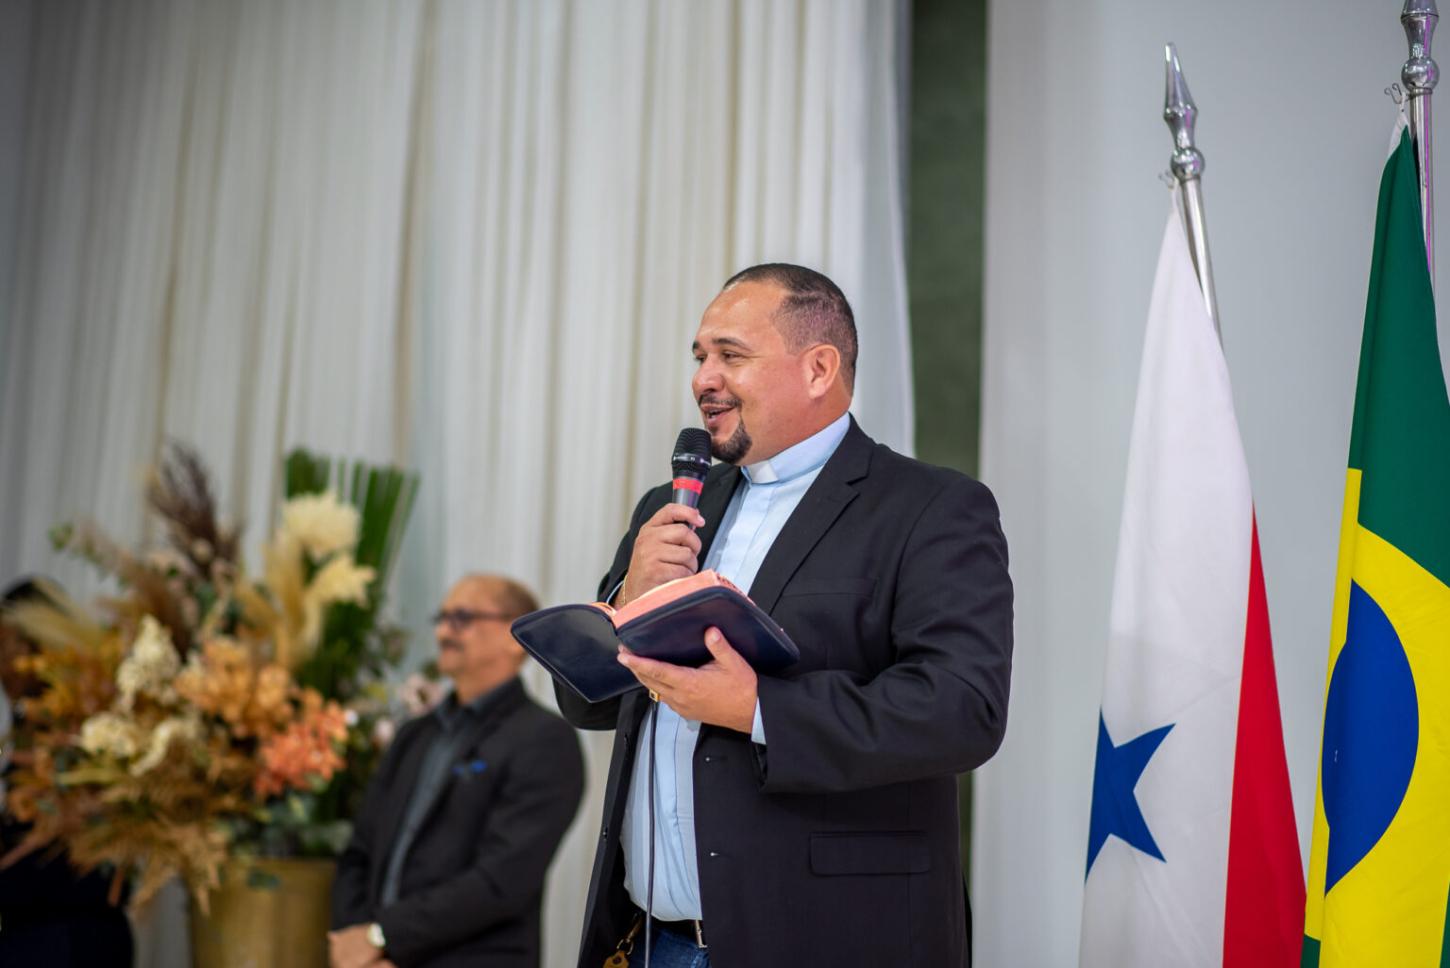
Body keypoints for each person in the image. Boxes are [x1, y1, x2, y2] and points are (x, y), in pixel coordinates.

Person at [554, 264, 1013, 967]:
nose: (704, 379)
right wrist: (626, 603)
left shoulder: (929, 508)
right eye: (699, 357)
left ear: (818, 369)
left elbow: (962, 709)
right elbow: (584, 703)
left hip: (829, 942)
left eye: (730, 355)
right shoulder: (671, 506)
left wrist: (758, 708)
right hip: (651, 941)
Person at [330, 574, 585, 968]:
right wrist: (357, 943)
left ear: (513, 635)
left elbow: (502, 880)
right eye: (442, 617)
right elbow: (360, 850)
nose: (443, 632)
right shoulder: (414, 734)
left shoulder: (545, 739)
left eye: (462, 618)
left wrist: (382, 936)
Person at [0, 578, 135, 967]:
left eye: (6, 644)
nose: (2, 664)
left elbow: (59, 860)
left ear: (35, 646)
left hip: (67, 940)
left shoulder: (78, 729)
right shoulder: (38, 726)